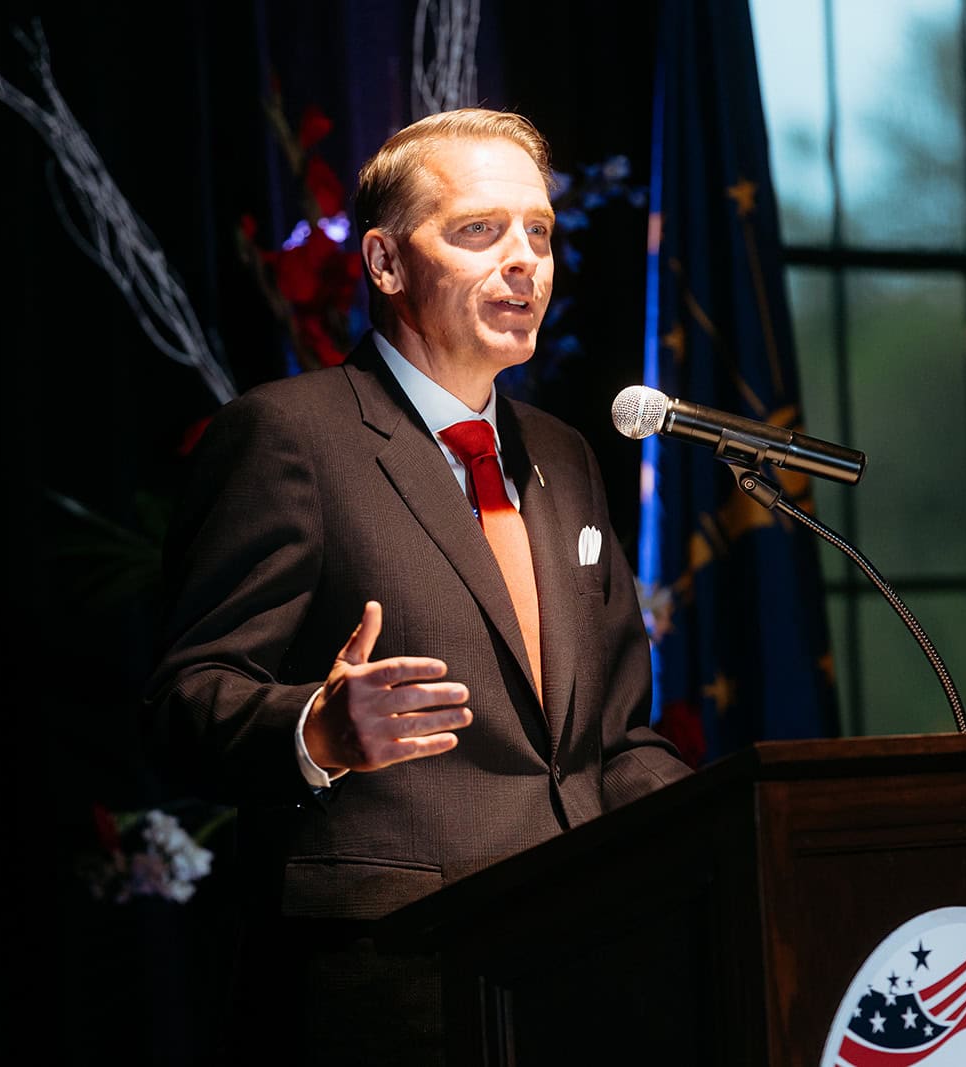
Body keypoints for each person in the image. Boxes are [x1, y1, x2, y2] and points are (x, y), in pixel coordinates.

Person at [147, 108, 691, 1062]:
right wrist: (314, 730)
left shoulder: (564, 454)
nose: (524, 261)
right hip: (393, 981)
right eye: (480, 229)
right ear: (386, 262)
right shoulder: (290, 438)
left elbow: (615, 738)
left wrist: (741, 821)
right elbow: (183, 702)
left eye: (538, 232)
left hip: (580, 968)